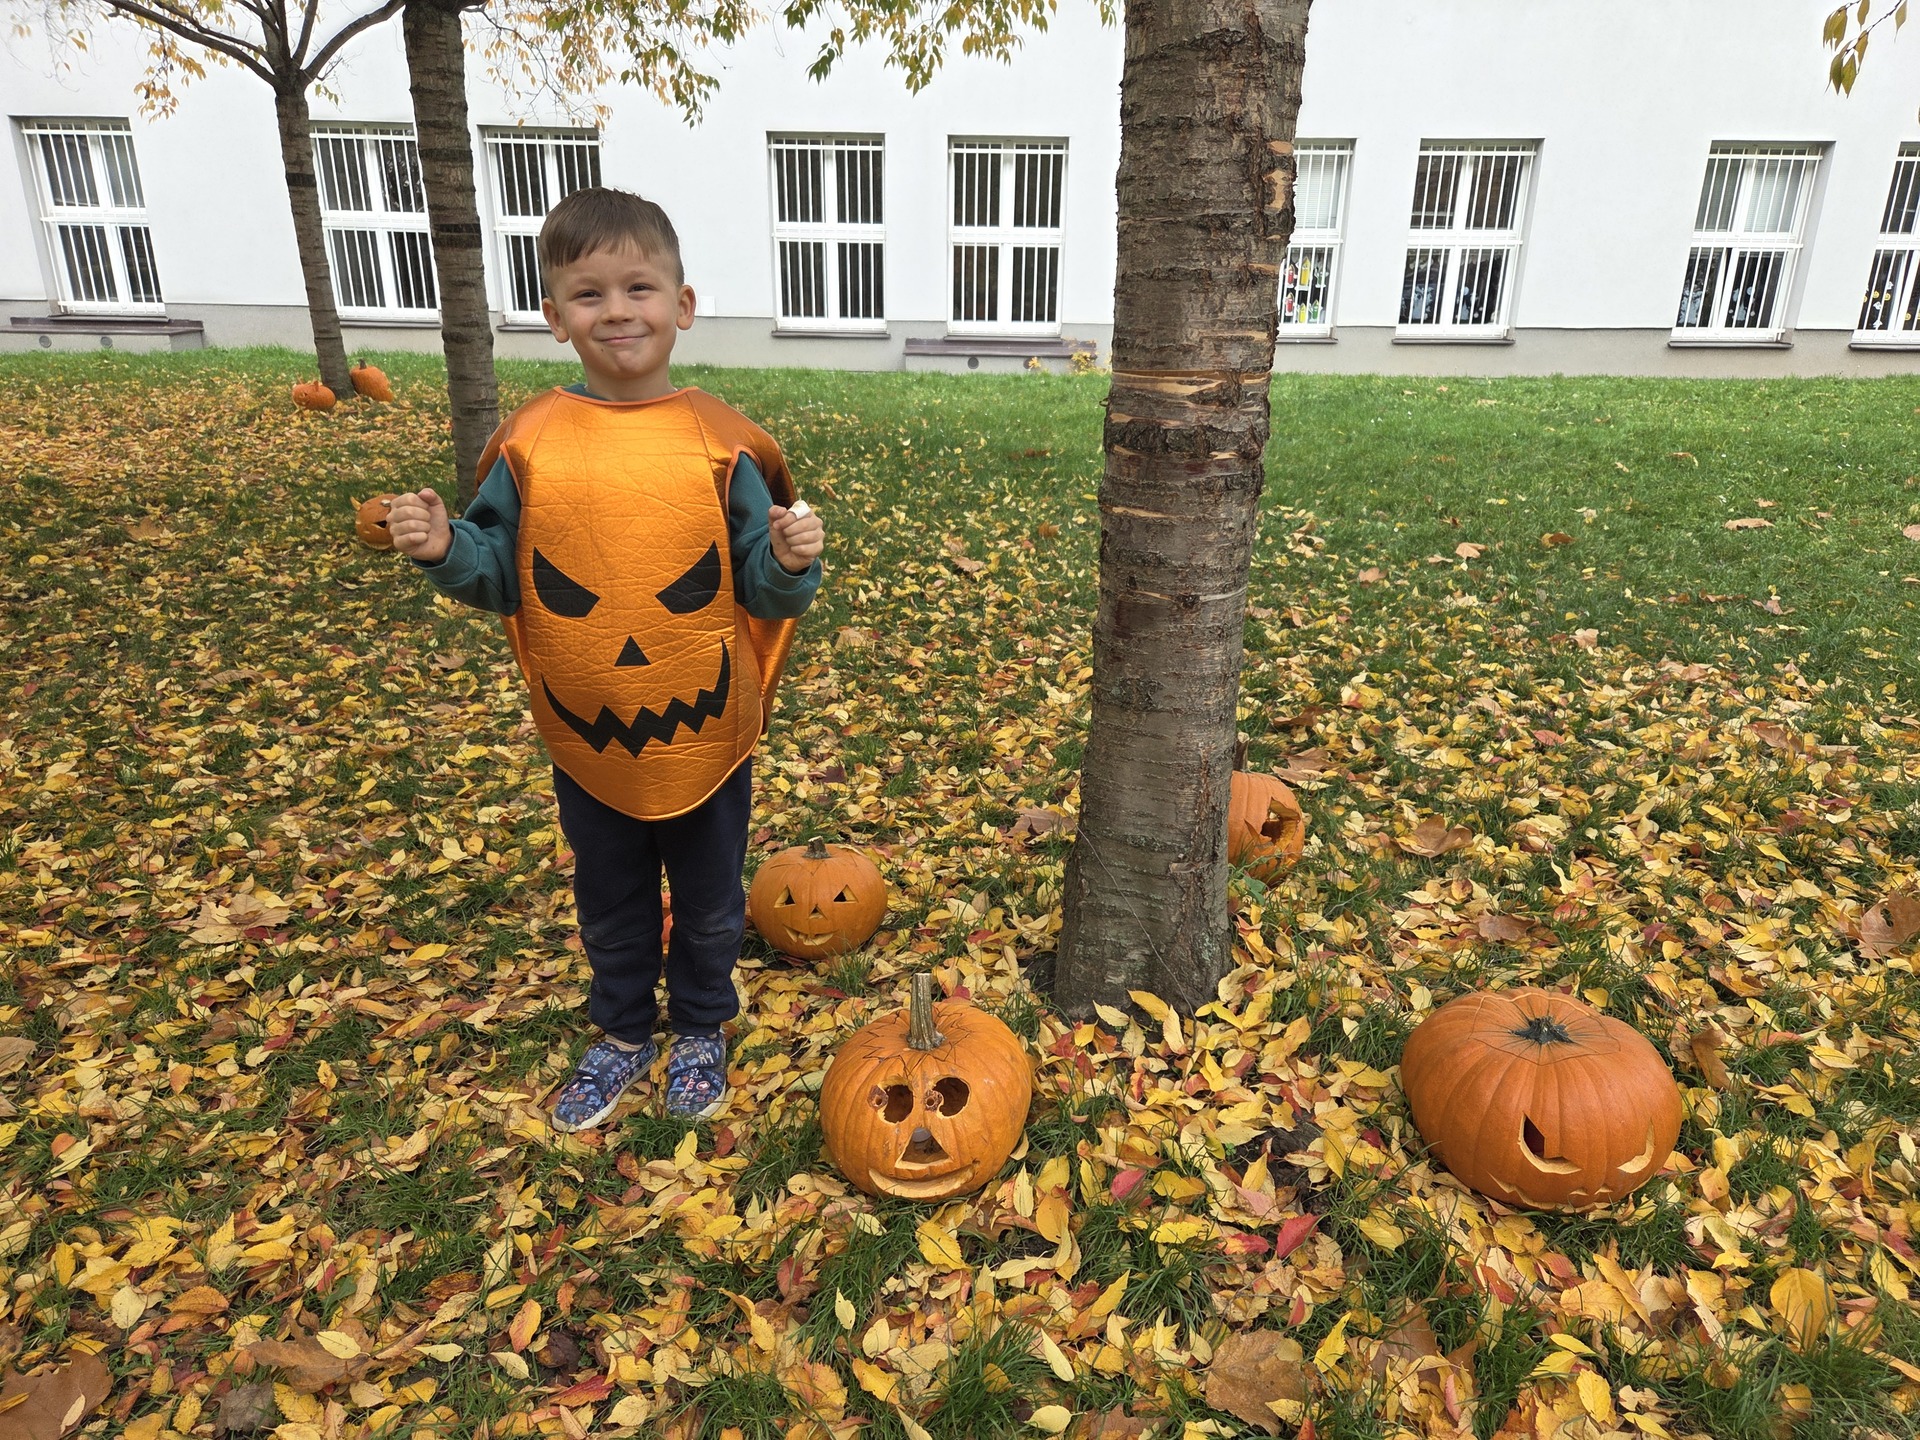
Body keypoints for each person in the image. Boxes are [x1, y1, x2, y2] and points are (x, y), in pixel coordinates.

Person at [384, 187, 824, 1128]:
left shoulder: (720, 442)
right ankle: (623, 1029)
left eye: (639, 288)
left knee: (710, 897)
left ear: (683, 304)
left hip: (703, 730)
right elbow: (502, 570)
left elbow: (753, 580)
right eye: (589, 294)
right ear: (554, 319)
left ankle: (702, 1021)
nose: (618, 311)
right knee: (611, 895)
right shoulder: (534, 442)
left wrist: (786, 564)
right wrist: (439, 550)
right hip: (586, 731)